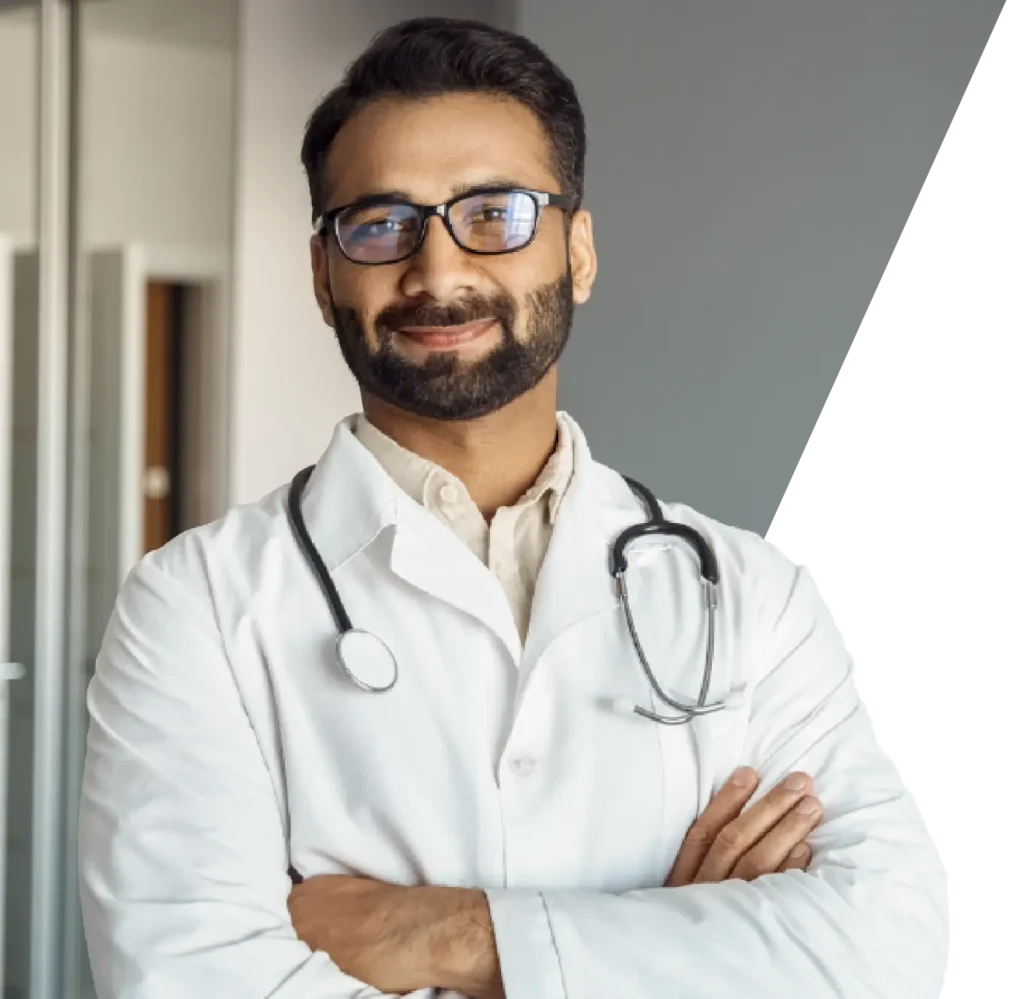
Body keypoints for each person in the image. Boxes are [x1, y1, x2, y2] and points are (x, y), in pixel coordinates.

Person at [78, 16, 949, 999]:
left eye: (494, 214)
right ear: (323, 276)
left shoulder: (756, 600)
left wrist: (449, 932)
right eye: (380, 224)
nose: (438, 272)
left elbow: (891, 952)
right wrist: (686, 937)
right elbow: (189, 984)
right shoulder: (194, 606)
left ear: (577, 251)